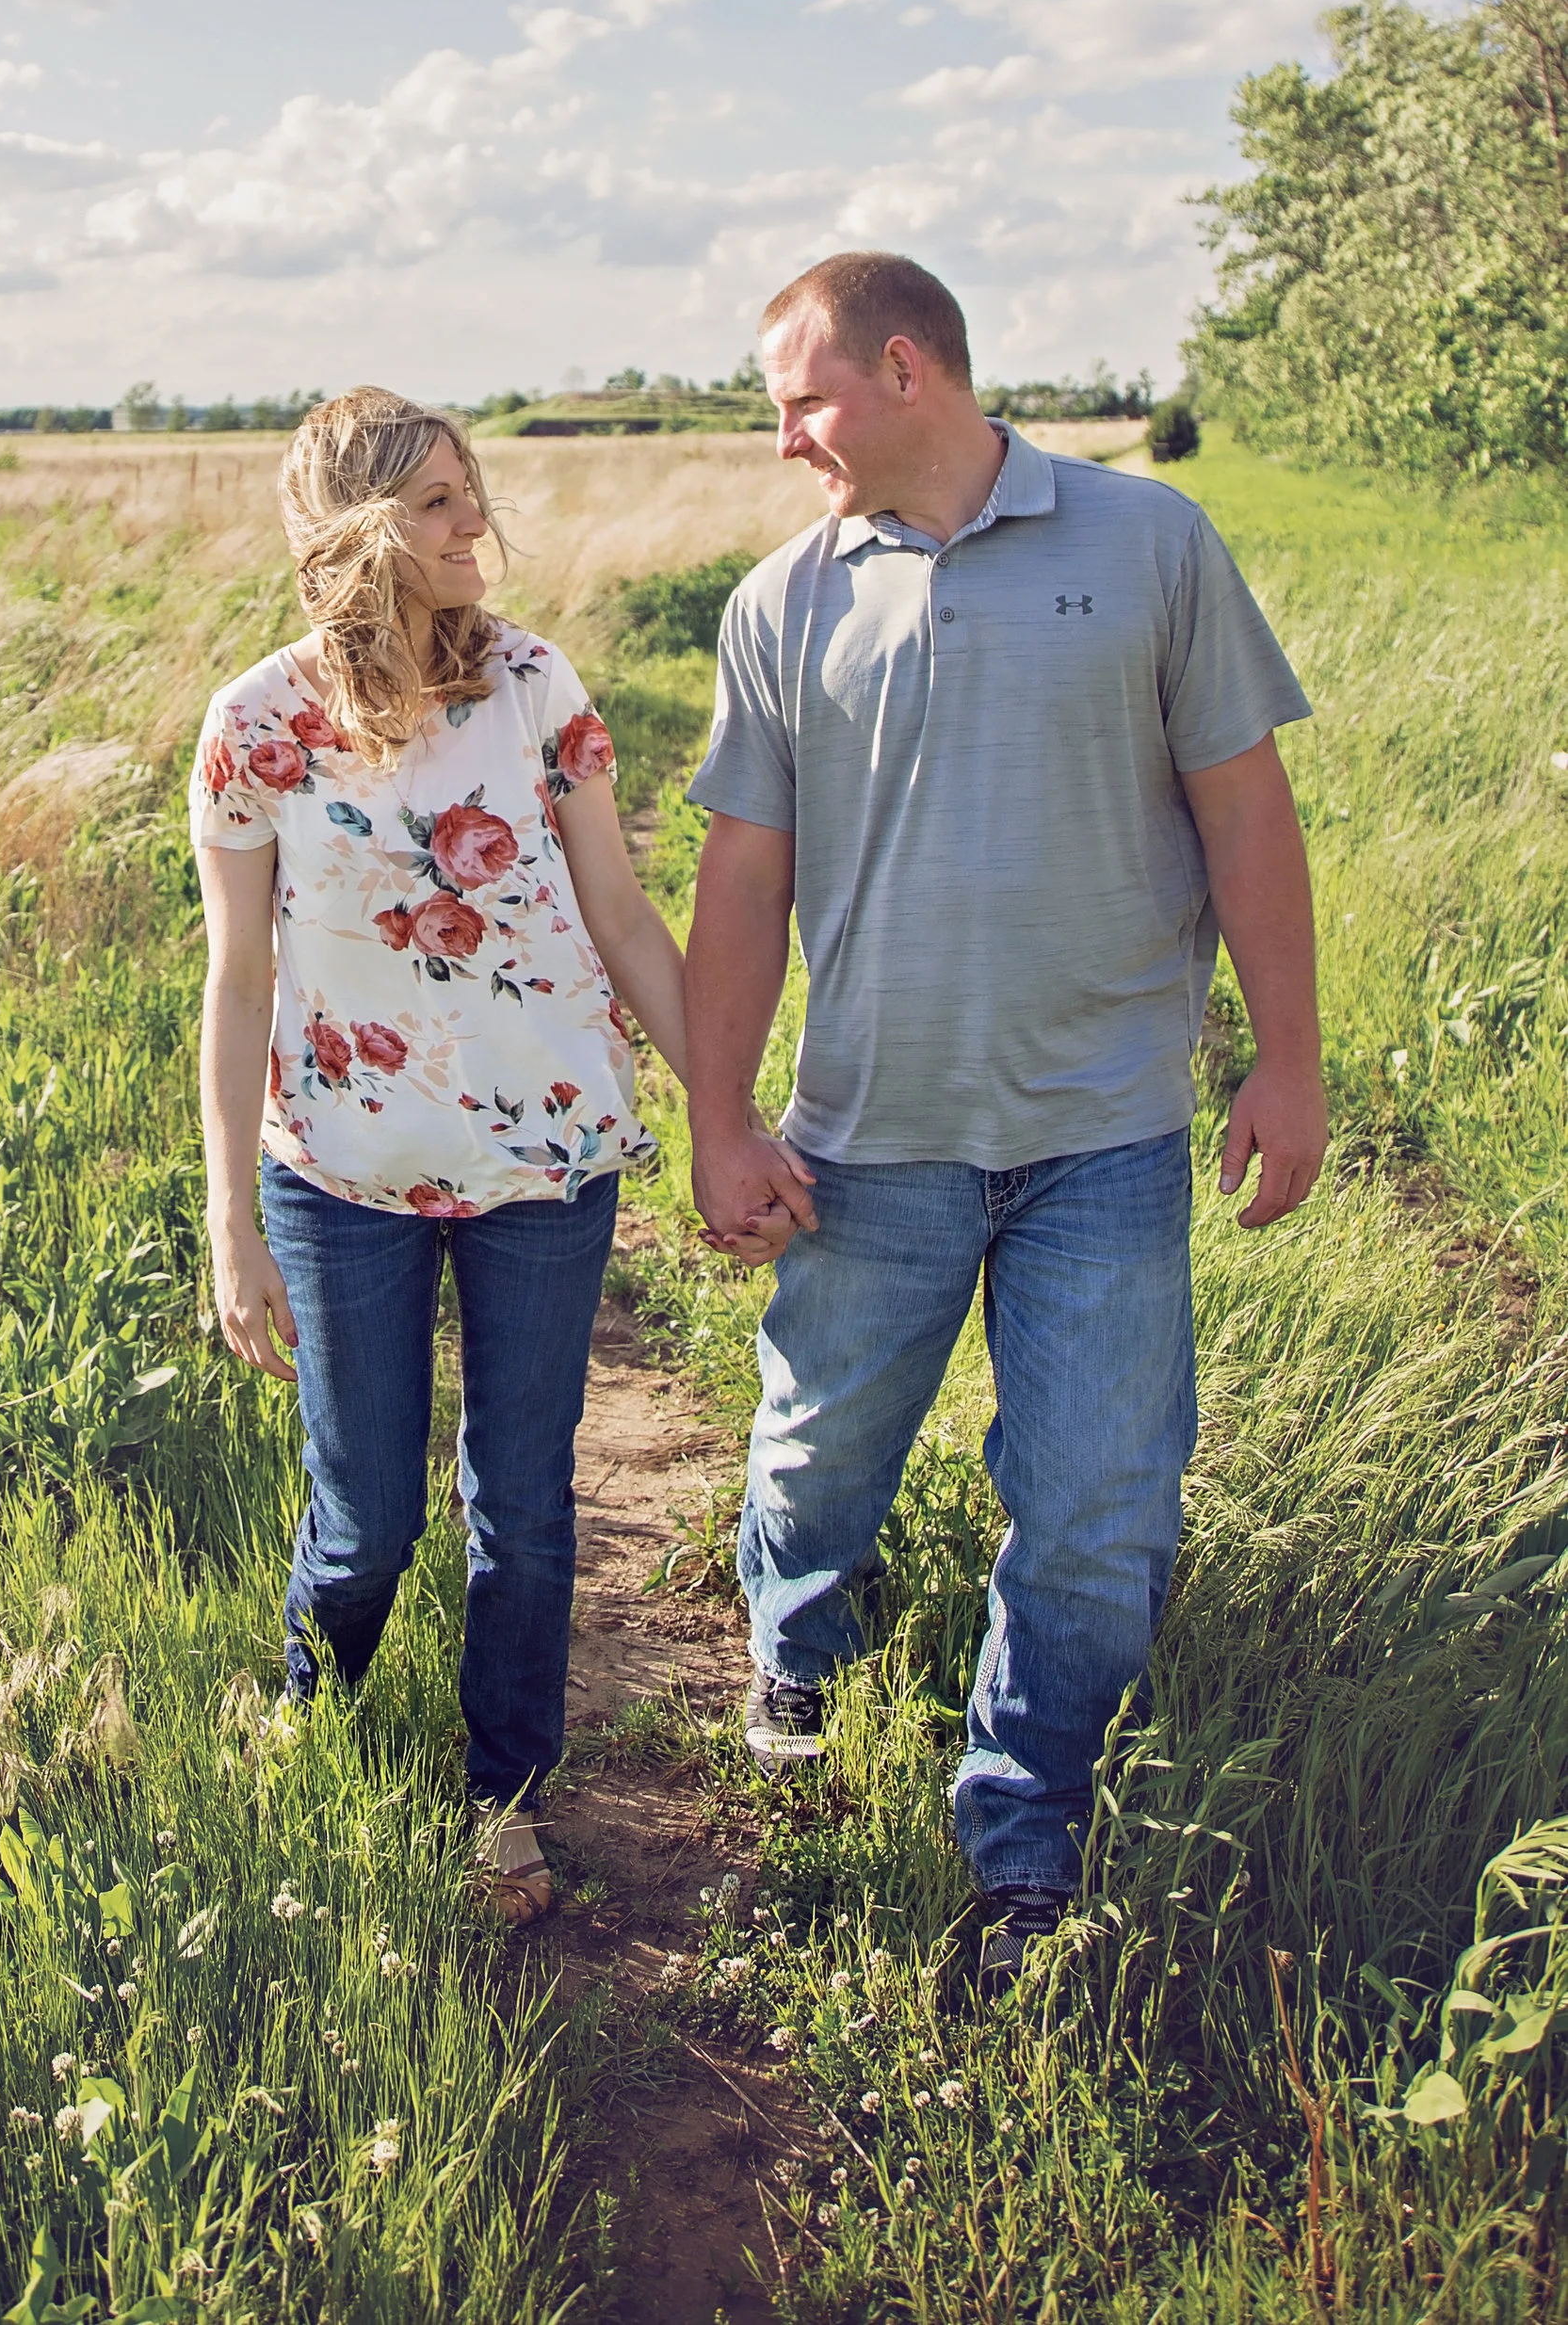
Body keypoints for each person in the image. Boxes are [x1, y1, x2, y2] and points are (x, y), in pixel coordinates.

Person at [684, 253, 1323, 1992]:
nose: (786, 437)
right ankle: (795, 1646)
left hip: (1104, 1137)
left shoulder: (1149, 545)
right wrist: (719, 1118)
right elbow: (743, 881)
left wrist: (1291, 1057)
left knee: (1101, 1507)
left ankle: (1021, 1828)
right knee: (819, 1458)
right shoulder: (781, 602)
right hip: (873, 1133)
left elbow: (1246, 811)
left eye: (801, 400)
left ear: (906, 370)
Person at [192, 385, 688, 1921]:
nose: (481, 523)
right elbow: (239, 979)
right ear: (354, 535)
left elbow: (619, 915)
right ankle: (310, 1704)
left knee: (525, 1503)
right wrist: (230, 1219)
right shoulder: (255, 726)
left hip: (544, 1164)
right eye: (440, 504)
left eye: (474, 492)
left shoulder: (537, 686)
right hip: (338, 1174)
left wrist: (720, 1101)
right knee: (368, 1518)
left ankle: (506, 1793)